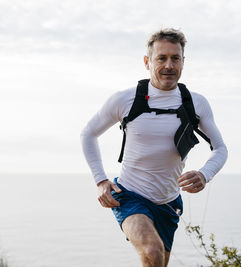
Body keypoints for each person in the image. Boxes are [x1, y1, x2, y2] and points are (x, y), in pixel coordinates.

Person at [80, 28, 228, 267]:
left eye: (175, 58)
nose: (169, 65)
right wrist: (100, 181)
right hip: (129, 195)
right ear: (147, 62)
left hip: (169, 203)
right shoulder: (125, 100)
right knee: (152, 251)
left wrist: (204, 174)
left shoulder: (196, 103)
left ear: (183, 62)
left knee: (156, 262)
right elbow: (88, 133)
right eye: (162, 58)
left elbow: (220, 148)